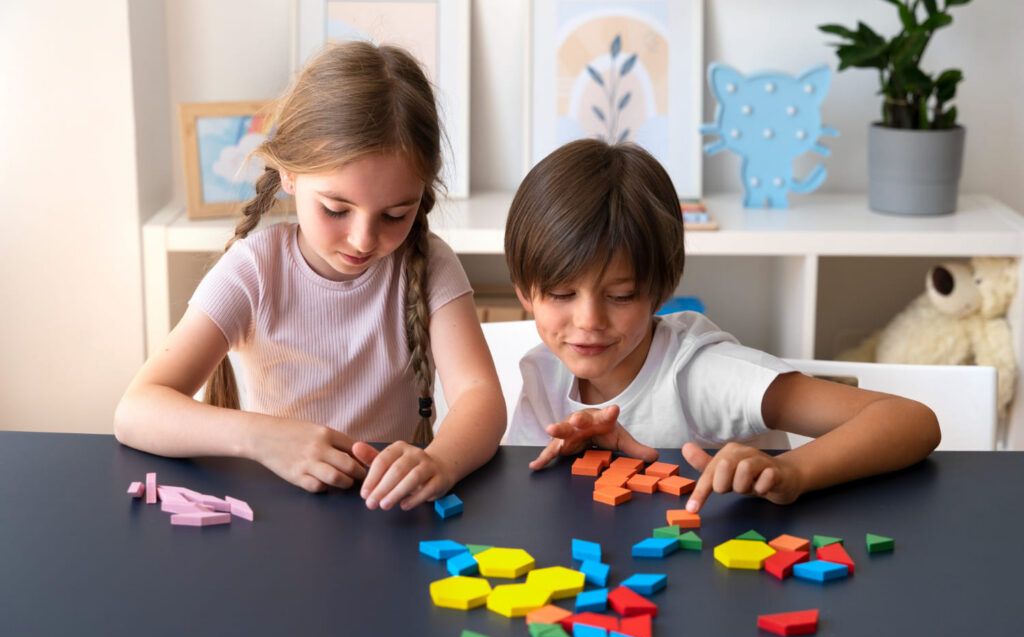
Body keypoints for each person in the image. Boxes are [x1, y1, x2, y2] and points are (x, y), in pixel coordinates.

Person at [114, 43, 505, 511]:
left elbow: (481, 399)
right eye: (336, 209)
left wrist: (440, 461)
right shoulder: (254, 270)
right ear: (288, 175)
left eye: (396, 214)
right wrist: (262, 439)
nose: (363, 240)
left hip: (381, 510)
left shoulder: (430, 266)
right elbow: (136, 410)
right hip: (272, 511)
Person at [504, 139, 939, 511]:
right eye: (562, 294)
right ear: (524, 290)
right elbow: (525, 492)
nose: (588, 321)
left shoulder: (702, 374)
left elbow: (911, 420)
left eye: (620, 296)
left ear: (659, 290)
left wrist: (791, 470)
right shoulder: (543, 370)